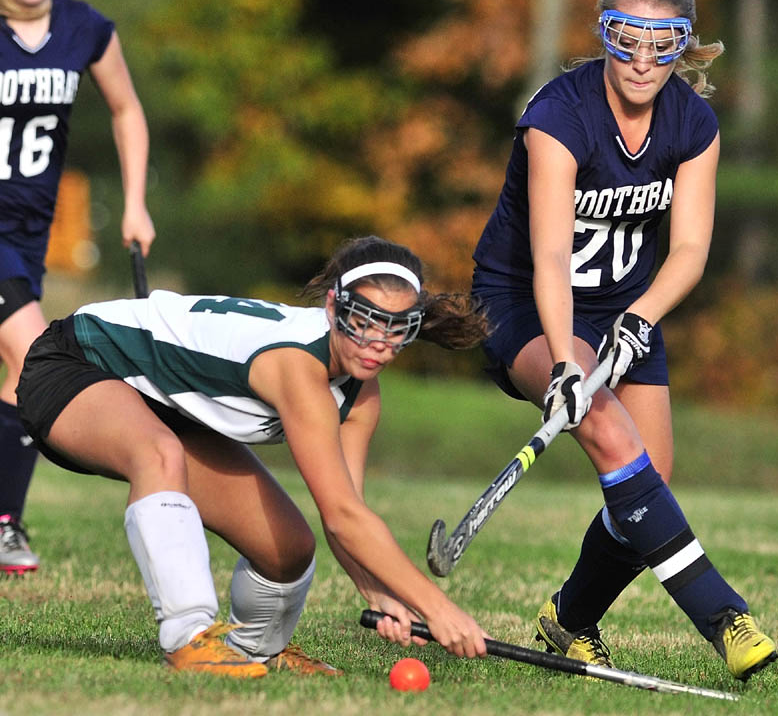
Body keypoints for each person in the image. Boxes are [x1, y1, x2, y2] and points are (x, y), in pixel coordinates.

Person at [471, 0, 777, 682]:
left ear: (683, 46)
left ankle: (569, 620)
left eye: (662, 43)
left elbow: (692, 249)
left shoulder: (693, 123)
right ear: (603, 36)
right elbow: (548, 255)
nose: (642, 60)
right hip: (525, 300)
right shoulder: (559, 114)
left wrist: (640, 316)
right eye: (625, 39)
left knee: (649, 482)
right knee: (607, 428)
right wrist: (568, 365)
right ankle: (724, 617)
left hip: (626, 309)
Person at [15, 235, 490, 677]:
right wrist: (439, 608)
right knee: (157, 455)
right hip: (74, 364)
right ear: (332, 308)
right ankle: (189, 638)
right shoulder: (298, 369)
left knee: (288, 547)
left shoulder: (361, 396)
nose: (376, 346)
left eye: (395, 330)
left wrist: (379, 591)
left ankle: (256, 648)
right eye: (361, 322)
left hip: (169, 407)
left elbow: (346, 512)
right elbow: (346, 518)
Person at [0, 0, 155, 574]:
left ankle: (5, 520)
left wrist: (136, 204)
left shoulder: (85, 28)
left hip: (30, 230)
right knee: (34, 351)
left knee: (16, 376)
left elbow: (126, 109)